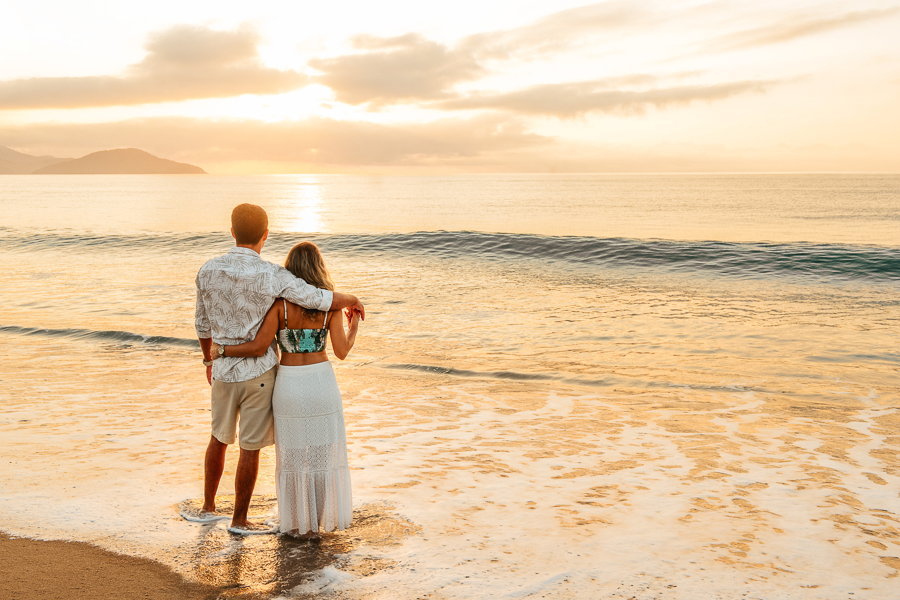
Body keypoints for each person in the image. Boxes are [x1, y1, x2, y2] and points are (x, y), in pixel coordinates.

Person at [191, 204, 364, 535]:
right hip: (265, 376)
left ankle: (208, 507)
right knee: (253, 447)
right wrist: (351, 299)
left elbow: (202, 324)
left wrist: (209, 360)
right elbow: (315, 298)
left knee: (218, 438)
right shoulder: (274, 276)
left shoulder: (208, 270)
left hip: (229, 372)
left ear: (232, 231)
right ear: (265, 235)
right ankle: (244, 520)